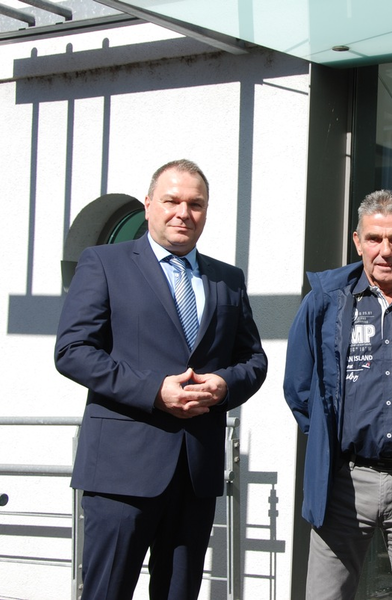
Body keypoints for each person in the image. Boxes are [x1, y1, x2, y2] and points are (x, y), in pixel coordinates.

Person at [55, 159, 268, 600]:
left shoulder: (227, 279)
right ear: (149, 204)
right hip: (121, 472)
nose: (183, 213)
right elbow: (72, 352)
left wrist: (224, 386)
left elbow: (253, 359)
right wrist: (154, 390)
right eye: (171, 201)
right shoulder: (104, 262)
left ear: (206, 212)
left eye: (195, 204)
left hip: (195, 474)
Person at [283, 190, 392, 599]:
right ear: (357, 240)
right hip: (345, 480)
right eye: (375, 238)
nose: (385, 250)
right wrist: (330, 442)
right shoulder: (325, 302)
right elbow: (298, 387)